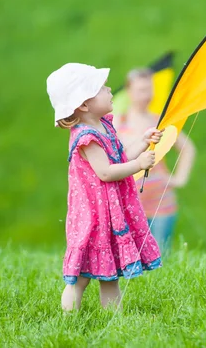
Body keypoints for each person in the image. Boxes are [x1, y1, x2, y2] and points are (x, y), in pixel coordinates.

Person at [46, 63, 163, 312]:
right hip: (94, 217)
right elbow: (107, 172)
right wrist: (139, 165)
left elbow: (120, 158)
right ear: (84, 104)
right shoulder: (86, 137)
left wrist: (142, 142)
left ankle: (114, 321)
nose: (110, 89)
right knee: (80, 279)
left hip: (110, 215)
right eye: (101, 88)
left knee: (109, 274)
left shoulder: (105, 126)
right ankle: (67, 322)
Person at [117, 68, 196, 253]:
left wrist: (180, 178)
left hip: (161, 199)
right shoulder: (118, 122)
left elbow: (188, 148)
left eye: (149, 89)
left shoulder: (159, 121)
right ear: (129, 92)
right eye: (141, 90)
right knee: (130, 252)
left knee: (160, 253)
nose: (147, 95)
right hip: (129, 198)